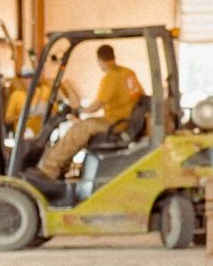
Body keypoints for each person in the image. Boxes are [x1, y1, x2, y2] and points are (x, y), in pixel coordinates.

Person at [37, 43, 145, 181]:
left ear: (100, 60)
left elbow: (97, 104)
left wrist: (80, 110)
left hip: (116, 122)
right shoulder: (128, 73)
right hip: (126, 120)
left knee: (78, 130)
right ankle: (62, 168)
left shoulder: (111, 77)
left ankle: (48, 170)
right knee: (84, 126)